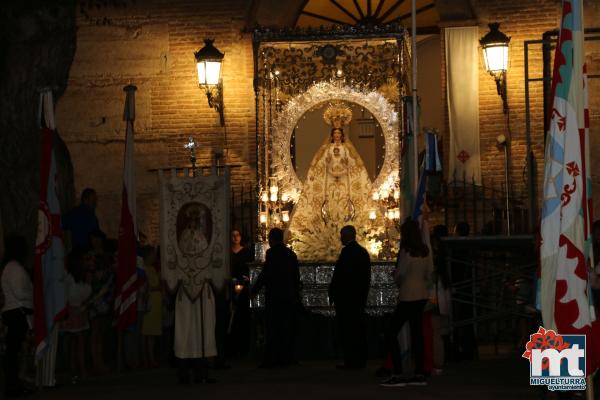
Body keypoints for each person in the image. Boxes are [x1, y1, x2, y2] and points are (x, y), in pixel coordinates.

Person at [288, 103, 375, 261]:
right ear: (332, 134)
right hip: (330, 181)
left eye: (338, 133)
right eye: (334, 133)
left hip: (343, 182)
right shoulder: (327, 150)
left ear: (341, 135)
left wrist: (348, 170)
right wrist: (320, 167)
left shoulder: (347, 149)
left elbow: (353, 164)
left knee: (344, 203)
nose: (336, 136)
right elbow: (322, 163)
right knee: (328, 204)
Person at [381, 218, 433, 387]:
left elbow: (400, 274)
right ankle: (419, 372)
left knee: (390, 332)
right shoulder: (425, 251)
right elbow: (428, 274)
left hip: (408, 296)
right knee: (417, 334)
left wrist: (394, 275)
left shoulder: (406, 251)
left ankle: (397, 372)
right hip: (421, 295)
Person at [251, 228, 300, 368]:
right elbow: (296, 277)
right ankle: (287, 357)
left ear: (272, 239)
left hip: (274, 296)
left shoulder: (271, 253)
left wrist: (255, 289)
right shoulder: (291, 254)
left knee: (273, 329)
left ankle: (271, 359)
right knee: (286, 328)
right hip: (288, 296)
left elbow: (266, 274)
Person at [329, 225, 371, 369]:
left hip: (346, 299)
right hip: (358, 298)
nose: (340, 238)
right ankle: (360, 359)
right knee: (358, 329)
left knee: (348, 331)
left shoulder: (347, 253)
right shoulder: (362, 252)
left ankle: (351, 360)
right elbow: (366, 278)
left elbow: (341, 276)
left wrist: (334, 292)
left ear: (347, 236)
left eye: (342, 235)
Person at [1, 234, 33, 397]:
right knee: (13, 352)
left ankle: (15, 384)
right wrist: (33, 296)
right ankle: (12, 385)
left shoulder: (11, 266)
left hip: (15, 312)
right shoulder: (13, 268)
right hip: (16, 313)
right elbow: (20, 292)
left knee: (15, 351)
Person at [60, 247, 93, 382]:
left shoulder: (79, 276)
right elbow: (73, 294)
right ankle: (78, 370)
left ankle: (76, 370)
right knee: (77, 343)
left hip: (78, 309)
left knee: (76, 343)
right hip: (74, 310)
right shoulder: (68, 278)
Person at [228, 229, 254, 357]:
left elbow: (251, 268)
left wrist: (248, 279)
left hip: (243, 287)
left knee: (243, 315)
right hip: (230, 287)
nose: (235, 237)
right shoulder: (228, 253)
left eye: (237, 235)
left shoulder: (246, 252)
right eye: (233, 235)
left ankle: (243, 348)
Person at [141, 245, 162, 368]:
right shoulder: (144, 269)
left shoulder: (153, 269)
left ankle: (151, 358)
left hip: (156, 302)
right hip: (150, 303)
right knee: (147, 333)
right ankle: (147, 359)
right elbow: (147, 287)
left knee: (152, 333)